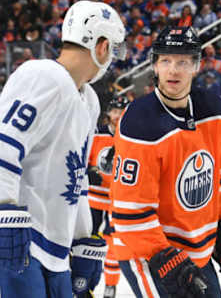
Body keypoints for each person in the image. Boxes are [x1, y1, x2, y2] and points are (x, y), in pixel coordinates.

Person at [0, 0, 126, 298]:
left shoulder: (89, 100)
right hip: (6, 235)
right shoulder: (45, 76)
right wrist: (4, 213)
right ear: (102, 46)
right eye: (115, 50)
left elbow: (77, 175)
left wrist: (82, 237)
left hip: (46, 242)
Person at [110, 26, 221, 298]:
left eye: (183, 62)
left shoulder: (214, 110)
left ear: (196, 66)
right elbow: (129, 213)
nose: (174, 70)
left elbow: (216, 182)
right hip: (150, 255)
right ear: (155, 66)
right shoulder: (140, 120)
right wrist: (164, 256)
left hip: (195, 253)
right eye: (166, 61)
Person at [87, 96, 129, 298]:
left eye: (121, 111)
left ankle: (111, 285)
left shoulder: (132, 137)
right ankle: (85, 282)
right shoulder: (96, 135)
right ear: (108, 113)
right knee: (88, 240)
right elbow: (82, 159)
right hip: (95, 199)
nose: (118, 115)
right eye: (114, 111)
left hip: (117, 200)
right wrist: (88, 171)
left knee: (114, 244)